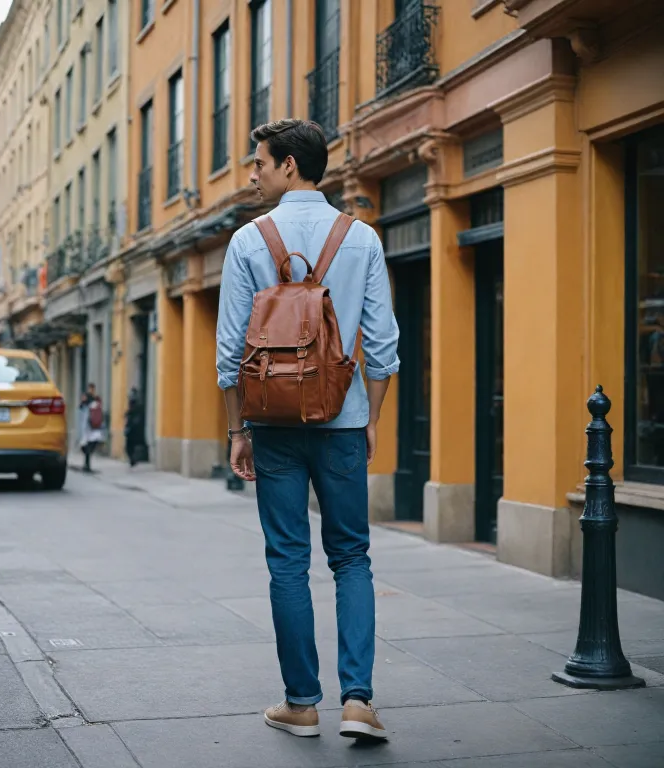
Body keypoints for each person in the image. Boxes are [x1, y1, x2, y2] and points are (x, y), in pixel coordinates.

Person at [216, 119, 400, 741]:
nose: (253, 174)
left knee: (288, 561)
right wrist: (370, 418)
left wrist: (238, 431)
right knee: (351, 557)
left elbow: (230, 354)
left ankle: (301, 704)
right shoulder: (361, 238)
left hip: (272, 424)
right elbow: (383, 345)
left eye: (260, 163)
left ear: (289, 165)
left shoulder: (248, 241)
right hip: (342, 421)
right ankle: (358, 702)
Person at [78, 383, 104, 472]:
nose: (91, 390)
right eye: (90, 389)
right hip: (87, 426)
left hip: (94, 426)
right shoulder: (86, 399)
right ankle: (87, 464)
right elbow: (81, 409)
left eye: (92, 389)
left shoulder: (95, 399)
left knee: (92, 444)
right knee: (87, 445)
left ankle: (87, 464)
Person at [124, 387, 146, 467]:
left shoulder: (135, 405)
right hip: (133, 428)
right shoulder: (137, 405)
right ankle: (133, 459)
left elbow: (132, 414)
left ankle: (133, 459)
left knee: (129, 446)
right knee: (131, 445)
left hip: (132, 428)